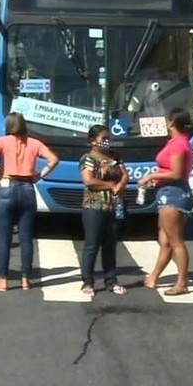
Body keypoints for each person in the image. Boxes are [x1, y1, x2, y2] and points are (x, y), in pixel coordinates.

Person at [0, 112, 60, 291]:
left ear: (9, 126)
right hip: (27, 188)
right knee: (26, 237)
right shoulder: (34, 143)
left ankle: (3, 279)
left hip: (7, 186)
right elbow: (54, 160)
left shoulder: (3, 141)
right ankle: (26, 278)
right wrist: (39, 175)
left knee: (4, 238)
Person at [138, 109, 193, 296]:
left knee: (175, 240)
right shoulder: (177, 142)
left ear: (172, 123)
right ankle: (153, 276)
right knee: (165, 240)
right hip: (167, 192)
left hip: (174, 194)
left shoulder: (179, 144)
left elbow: (177, 173)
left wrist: (152, 175)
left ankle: (182, 282)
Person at [78, 125, 129, 295]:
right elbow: (89, 181)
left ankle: (111, 280)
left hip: (114, 205)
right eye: (103, 139)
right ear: (93, 141)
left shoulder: (116, 156)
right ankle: (87, 282)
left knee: (110, 244)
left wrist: (121, 185)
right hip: (94, 206)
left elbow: (124, 174)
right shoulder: (88, 158)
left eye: (108, 138)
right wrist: (111, 185)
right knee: (92, 244)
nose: (107, 142)